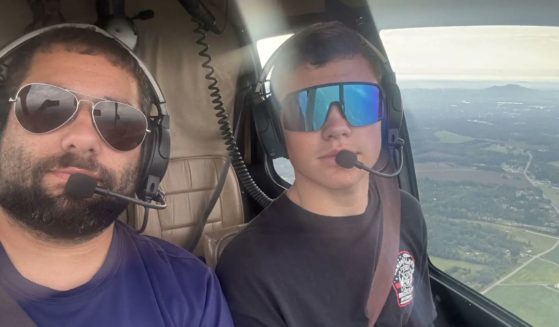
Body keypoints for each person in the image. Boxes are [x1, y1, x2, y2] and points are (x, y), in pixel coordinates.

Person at [0, 24, 233, 326]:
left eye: (118, 120)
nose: (83, 138)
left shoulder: (190, 290)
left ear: (149, 155)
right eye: (47, 105)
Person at [216, 21, 436, 326]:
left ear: (387, 114)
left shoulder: (407, 213)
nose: (337, 129)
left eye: (358, 101)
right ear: (275, 130)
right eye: (307, 108)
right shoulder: (249, 267)